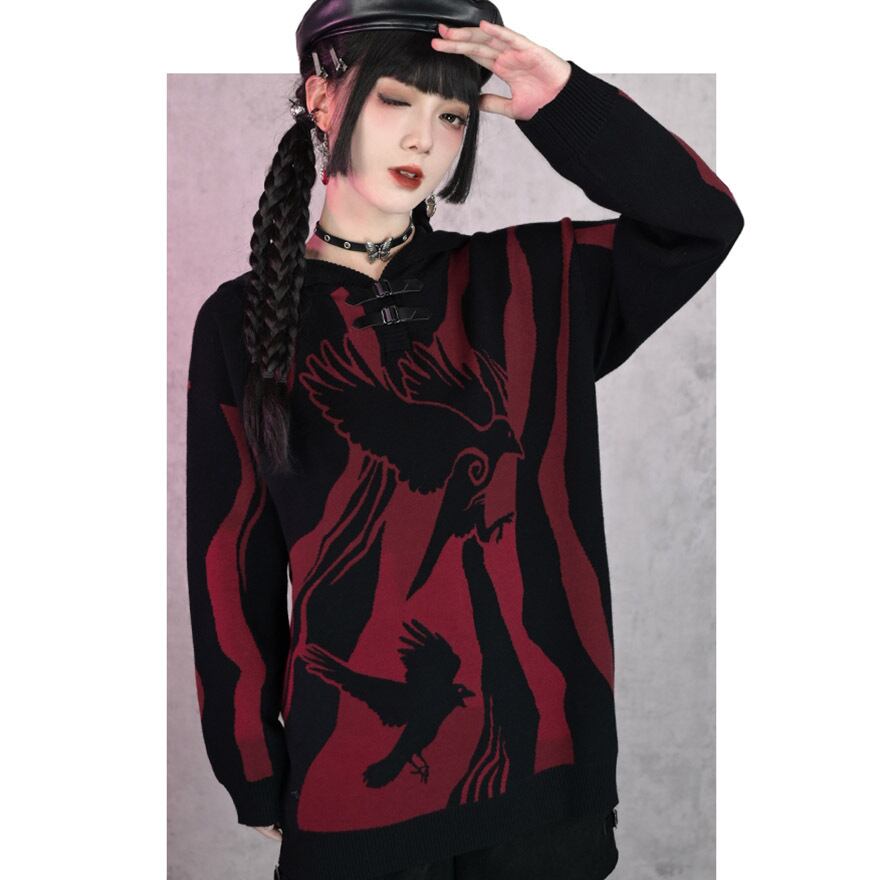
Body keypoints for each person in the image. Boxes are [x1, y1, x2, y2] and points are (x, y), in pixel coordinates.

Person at [184, 1, 744, 878]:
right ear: (323, 100)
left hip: (544, 785)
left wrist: (562, 101)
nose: (425, 139)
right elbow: (230, 561)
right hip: (353, 790)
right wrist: (251, 764)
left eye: (450, 116)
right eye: (395, 102)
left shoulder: (535, 284)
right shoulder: (241, 323)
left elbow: (701, 221)